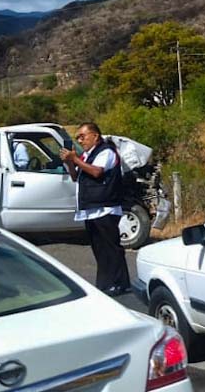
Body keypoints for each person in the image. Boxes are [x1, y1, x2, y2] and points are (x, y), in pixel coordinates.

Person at [60, 122, 130, 296]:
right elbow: (76, 176)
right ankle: (105, 283)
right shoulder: (86, 155)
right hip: (91, 208)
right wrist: (70, 162)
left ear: (95, 136)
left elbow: (97, 172)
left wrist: (75, 158)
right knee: (99, 248)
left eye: (83, 136)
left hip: (105, 207)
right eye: (78, 137)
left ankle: (119, 283)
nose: (80, 140)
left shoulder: (106, 152)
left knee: (111, 248)